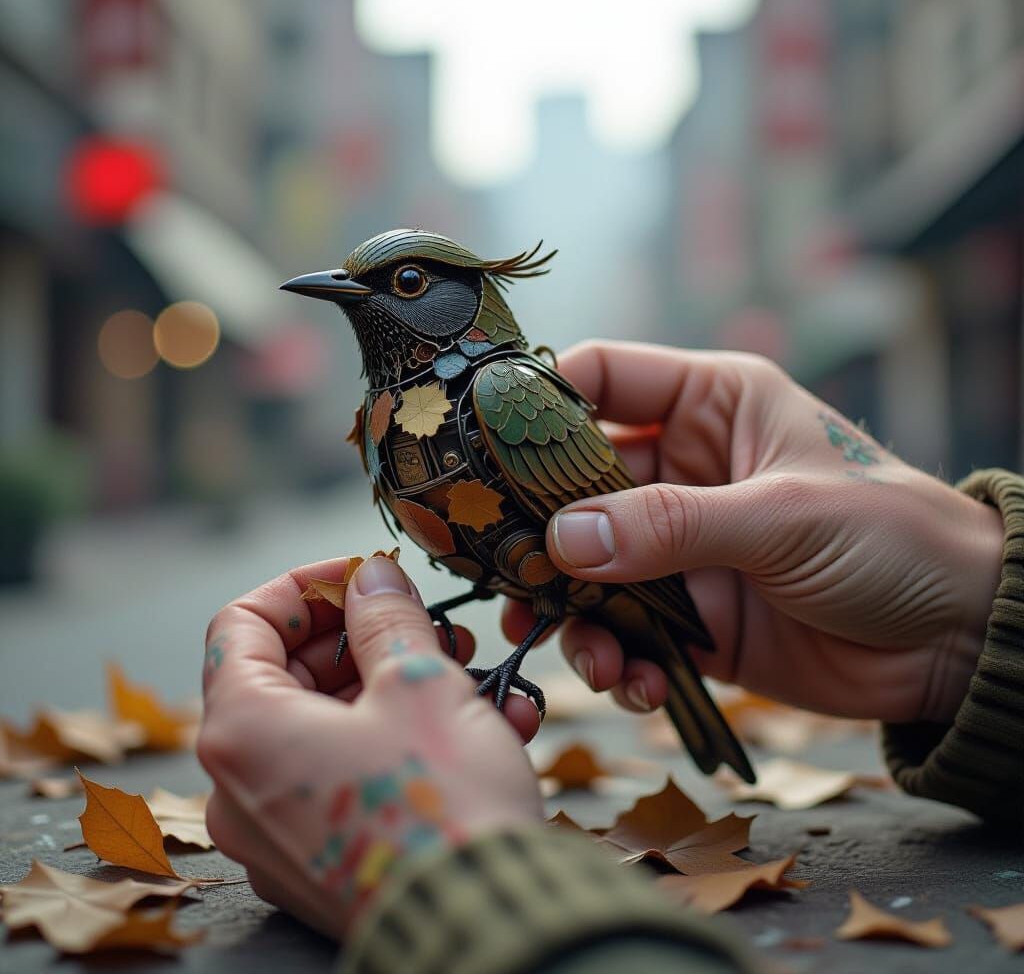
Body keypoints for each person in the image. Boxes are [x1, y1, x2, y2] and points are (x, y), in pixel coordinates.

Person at [198, 341, 1023, 973]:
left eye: (409, 285)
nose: (377, 301)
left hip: (574, 586)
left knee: (546, 612)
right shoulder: (386, 416)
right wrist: (967, 638)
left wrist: (445, 878)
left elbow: (566, 545)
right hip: (527, 580)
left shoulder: (503, 390)